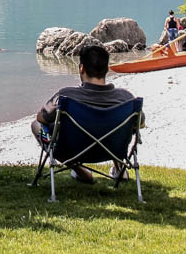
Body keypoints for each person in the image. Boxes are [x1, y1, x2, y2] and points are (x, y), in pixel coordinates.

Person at [30, 42, 137, 183]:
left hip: (70, 151)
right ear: (107, 69)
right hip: (114, 149)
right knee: (119, 126)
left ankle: (80, 171)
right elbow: (139, 125)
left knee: (35, 125)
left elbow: (41, 118)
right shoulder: (126, 98)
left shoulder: (66, 96)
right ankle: (119, 169)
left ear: (81, 68)